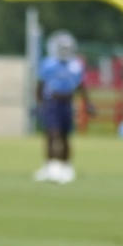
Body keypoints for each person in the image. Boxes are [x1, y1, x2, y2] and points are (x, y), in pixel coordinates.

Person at [34, 30, 95, 184]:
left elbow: (81, 86)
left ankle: (66, 167)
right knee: (51, 134)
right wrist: (39, 104)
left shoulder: (75, 65)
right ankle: (51, 166)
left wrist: (88, 104)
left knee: (65, 135)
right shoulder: (48, 64)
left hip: (67, 103)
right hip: (52, 103)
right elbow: (40, 86)